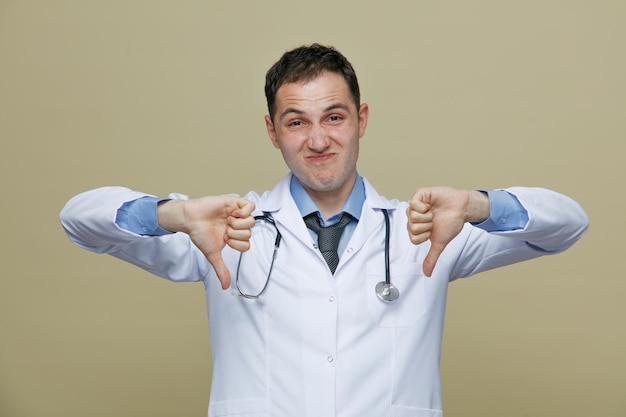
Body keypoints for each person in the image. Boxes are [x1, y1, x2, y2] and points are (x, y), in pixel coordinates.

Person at [60, 44, 589, 417]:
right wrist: (168, 215)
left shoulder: (423, 230)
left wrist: (479, 204)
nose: (318, 140)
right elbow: (81, 221)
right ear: (273, 132)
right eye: (296, 122)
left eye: (334, 117)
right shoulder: (225, 229)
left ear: (360, 119)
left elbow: (566, 224)